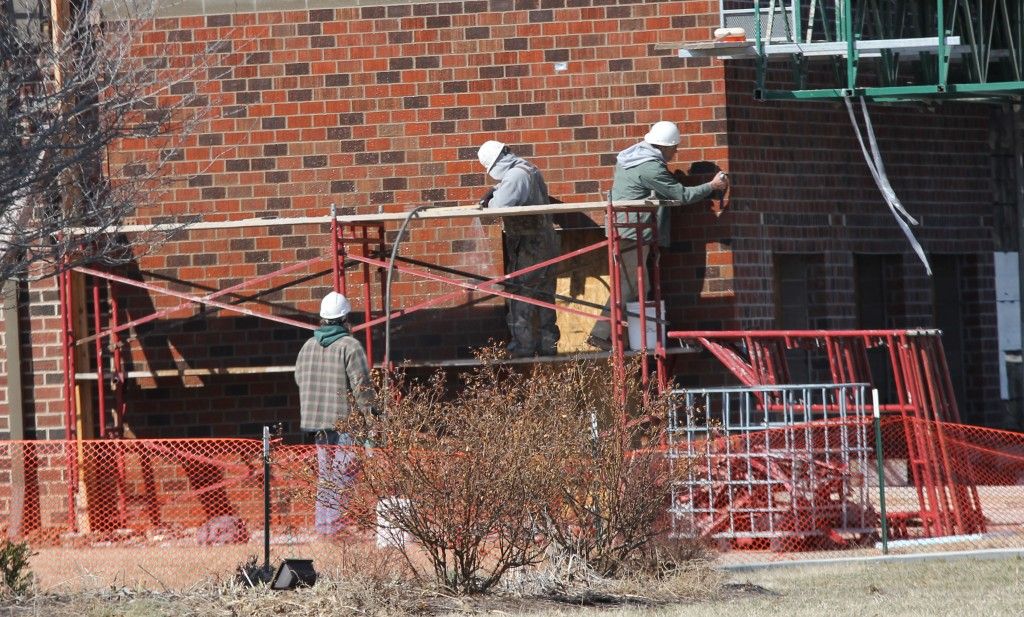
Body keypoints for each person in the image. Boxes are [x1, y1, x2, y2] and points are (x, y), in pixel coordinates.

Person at [587, 121, 730, 350]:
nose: (676, 152)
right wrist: (712, 186)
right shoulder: (650, 168)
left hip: (627, 230)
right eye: (675, 147)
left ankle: (631, 339)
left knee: (640, 287)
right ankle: (601, 334)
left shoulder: (634, 156)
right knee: (629, 285)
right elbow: (681, 195)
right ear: (665, 146)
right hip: (632, 232)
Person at [295, 291, 377, 535]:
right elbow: (362, 387)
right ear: (344, 320)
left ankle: (324, 528)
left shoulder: (307, 347)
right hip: (344, 423)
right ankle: (335, 529)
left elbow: (300, 379)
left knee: (325, 477)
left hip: (318, 424)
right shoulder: (350, 346)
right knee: (344, 475)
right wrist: (372, 421)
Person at [477, 140, 561, 357]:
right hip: (545, 243)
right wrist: (495, 189)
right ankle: (548, 348)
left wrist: (489, 201)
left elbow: (498, 207)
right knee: (544, 296)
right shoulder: (528, 169)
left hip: (530, 247)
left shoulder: (515, 176)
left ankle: (522, 350)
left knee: (520, 295)